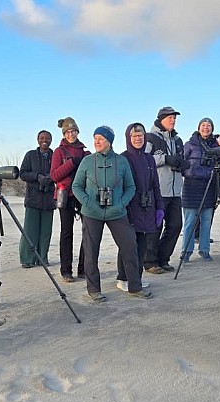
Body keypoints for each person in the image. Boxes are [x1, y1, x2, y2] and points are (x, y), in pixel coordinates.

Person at [71, 125, 152, 302]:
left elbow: (131, 187)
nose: (97, 141)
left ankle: (135, 287)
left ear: (109, 141)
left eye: (101, 138)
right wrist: (88, 202)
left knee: (129, 247)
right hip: (92, 212)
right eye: (95, 138)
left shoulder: (121, 161)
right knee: (91, 251)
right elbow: (76, 186)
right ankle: (94, 290)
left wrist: (121, 203)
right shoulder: (87, 161)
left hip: (117, 211)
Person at [115, 123, 163, 292]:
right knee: (128, 243)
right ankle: (123, 277)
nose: (138, 139)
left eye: (141, 135)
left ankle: (137, 276)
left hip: (147, 205)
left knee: (142, 242)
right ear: (129, 138)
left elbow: (156, 185)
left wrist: (159, 207)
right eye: (134, 136)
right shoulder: (123, 158)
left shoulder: (149, 158)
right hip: (129, 206)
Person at [144, 106, 187, 274]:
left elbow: (180, 159)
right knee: (156, 227)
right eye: (169, 118)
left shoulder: (177, 140)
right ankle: (150, 262)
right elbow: (145, 159)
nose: (173, 120)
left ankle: (163, 258)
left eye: (174, 118)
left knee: (176, 226)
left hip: (176, 190)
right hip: (159, 190)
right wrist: (165, 159)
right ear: (160, 119)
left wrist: (183, 164)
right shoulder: (151, 137)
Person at [180, 117, 220, 262]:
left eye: (209, 125)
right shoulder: (189, 144)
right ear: (198, 127)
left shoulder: (216, 145)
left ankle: (204, 250)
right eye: (203, 125)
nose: (206, 127)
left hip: (210, 186)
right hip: (192, 186)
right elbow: (182, 164)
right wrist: (192, 172)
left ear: (212, 128)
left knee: (206, 221)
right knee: (190, 221)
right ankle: (186, 251)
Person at [50, 116, 90, 283]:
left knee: (88, 231)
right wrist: (72, 163)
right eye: (68, 132)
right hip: (65, 194)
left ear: (77, 132)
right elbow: (54, 175)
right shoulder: (59, 152)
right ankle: (66, 270)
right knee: (67, 233)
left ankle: (84, 268)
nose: (71, 134)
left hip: (82, 194)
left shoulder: (85, 151)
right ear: (64, 133)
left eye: (73, 131)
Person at [18, 130, 55, 268]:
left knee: (46, 231)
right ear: (37, 140)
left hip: (49, 199)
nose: (45, 140)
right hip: (33, 198)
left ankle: (42, 257)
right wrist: (37, 176)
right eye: (42, 138)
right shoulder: (30, 155)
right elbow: (22, 174)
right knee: (30, 230)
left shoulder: (54, 155)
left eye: (47, 138)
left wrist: (51, 178)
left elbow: (59, 171)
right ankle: (27, 259)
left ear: (51, 140)